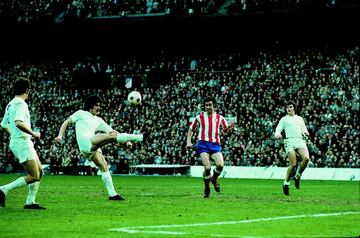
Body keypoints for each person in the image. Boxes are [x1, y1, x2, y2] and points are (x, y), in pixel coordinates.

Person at [55, 95, 147, 201]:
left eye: (99, 106)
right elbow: (66, 122)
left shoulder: (98, 120)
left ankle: (112, 194)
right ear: (90, 106)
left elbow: (112, 131)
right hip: (86, 142)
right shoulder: (81, 113)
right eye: (96, 105)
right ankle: (140, 137)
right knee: (110, 138)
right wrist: (60, 136)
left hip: (91, 147)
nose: (99, 108)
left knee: (104, 165)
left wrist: (127, 141)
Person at [0, 77, 45, 209]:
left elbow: (3, 125)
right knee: (34, 175)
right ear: (27, 90)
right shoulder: (21, 104)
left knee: (40, 172)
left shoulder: (10, 104)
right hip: (22, 142)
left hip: (20, 141)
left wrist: (13, 135)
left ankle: (30, 202)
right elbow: (18, 123)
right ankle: (3, 189)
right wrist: (34, 133)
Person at [186, 96, 234, 198]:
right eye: (206, 105)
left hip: (215, 144)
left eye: (210, 105)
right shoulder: (199, 117)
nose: (208, 107)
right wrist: (188, 141)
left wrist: (229, 129)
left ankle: (214, 178)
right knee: (207, 168)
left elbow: (225, 131)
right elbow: (191, 129)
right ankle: (207, 187)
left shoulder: (220, 118)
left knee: (220, 165)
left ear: (214, 106)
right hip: (203, 144)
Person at [274, 100, 310, 196]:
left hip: (299, 140)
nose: (289, 109)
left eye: (290, 107)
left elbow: (304, 129)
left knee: (306, 159)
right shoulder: (284, 119)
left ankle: (297, 177)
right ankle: (286, 183)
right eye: (287, 107)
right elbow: (277, 130)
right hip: (289, 141)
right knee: (293, 164)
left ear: (294, 108)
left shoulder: (300, 119)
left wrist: (306, 133)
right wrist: (277, 134)